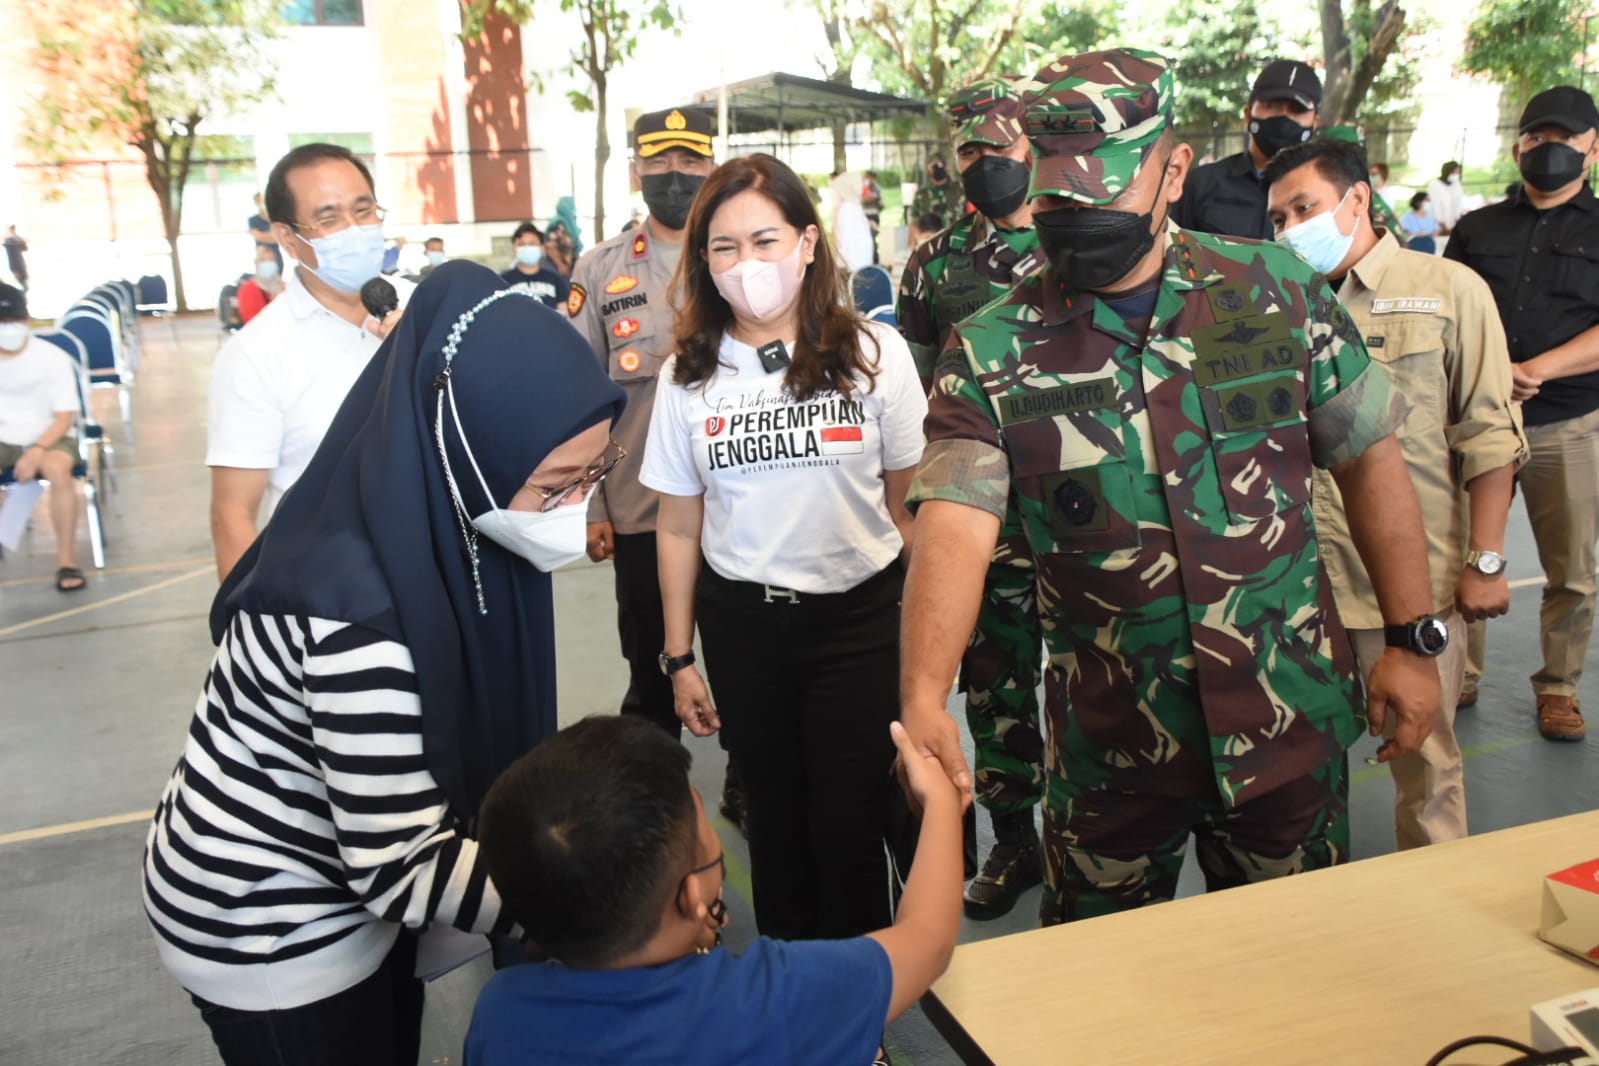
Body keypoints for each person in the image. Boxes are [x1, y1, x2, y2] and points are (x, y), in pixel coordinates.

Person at [901, 48, 1442, 925]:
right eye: (1056, 198)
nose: (1077, 217)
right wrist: (922, 697)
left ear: (1174, 168)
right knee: (1104, 1000)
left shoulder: (1278, 293)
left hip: (1286, 722)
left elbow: (1369, 458)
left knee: (1299, 973)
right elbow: (955, 519)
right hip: (1112, 755)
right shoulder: (992, 348)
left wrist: (1413, 641)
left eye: (1103, 191)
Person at [143, 262, 627, 1065]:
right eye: (554, 486)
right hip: (268, 921)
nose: (575, 509)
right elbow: (401, 869)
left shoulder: (432, 522)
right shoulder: (356, 609)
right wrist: (605, 905)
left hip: (343, 880)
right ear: (466, 451)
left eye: (594, 475)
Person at [641, 153, 928, 943]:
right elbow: (677, 522)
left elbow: (910, 510)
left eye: (764, 240)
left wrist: (925, 650)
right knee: (773, 820)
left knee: (848, 821)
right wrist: (678, 657)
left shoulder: (874, 354)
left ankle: (858, 1011)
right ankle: (789, 991)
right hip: (744, 628)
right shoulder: (686, 379)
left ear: (807, 243)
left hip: (858, 623)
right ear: (704, 262)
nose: (747, 265)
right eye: (724, 247)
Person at [1266, 137, 1527, 848]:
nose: (1289, 229)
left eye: (1303, 208)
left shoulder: (1448, 291)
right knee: (1298, 769)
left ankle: (1434, 912)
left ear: (1356, 198)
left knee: (1427, 762)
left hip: (1409, 585)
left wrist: (1487, 559)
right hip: (1299, 586)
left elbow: (1488, 435)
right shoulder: (1272, 306)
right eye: (1277, 218)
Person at [466, 713, 964, 1066]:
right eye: (700, 827)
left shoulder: (502, 1012)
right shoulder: (776, 998)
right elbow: (928, 939)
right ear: (691, 897)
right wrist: (940, 802)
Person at [896, 75, 1047, 920]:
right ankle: (1013, 839)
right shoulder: (933, 265)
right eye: (970, 151)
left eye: (999, 146)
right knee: (993, 682)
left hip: (1084, 508)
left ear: (1030, 146)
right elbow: (922, 395)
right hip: (981, 517)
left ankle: (1095, 827)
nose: (986, 163)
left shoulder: (1077, 243)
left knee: (1100, 668)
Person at [568, 108, 739, 793]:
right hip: (640, 509)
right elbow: (577, 399)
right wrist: (589, 507)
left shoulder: (736, 256)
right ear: (636, 170)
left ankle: (747, 783)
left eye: (690, 163)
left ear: (711, 168)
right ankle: (656, 798)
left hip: (737, 506)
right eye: (661, 165)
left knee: (738, 662)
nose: (675, 177)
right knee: (649, 669)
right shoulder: (600, 269)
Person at [1444, 86, 1599, 742]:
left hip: (1567, 421)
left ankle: (1558, 687)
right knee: (1463, 552)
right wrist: (1485, 373)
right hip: (1477, 421)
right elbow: (1444, 312)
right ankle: (1462, 672)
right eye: (1538, 139)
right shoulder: (1477, 228)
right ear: (1516, 147)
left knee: (1571, 567)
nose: (1550, 151)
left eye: (1565, 139)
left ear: (1592, 150)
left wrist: (1536, 369)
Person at [207, 143, 413, 582]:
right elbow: (232, 514)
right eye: (328, 219)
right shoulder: (256, 355)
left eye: (364, 211)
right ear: (287, 239)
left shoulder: (427, 311)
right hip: (331, 595)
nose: (354, 230)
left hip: (447, 578)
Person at [1172, 58, 1320, 239]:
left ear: (1315, 123)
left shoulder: (1330, 193)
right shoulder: (1200, 185)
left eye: (1297, 110)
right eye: (1272, 106)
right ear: (1249, 114)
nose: (1283, 118)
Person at [0, 283, 85, 591]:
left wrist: (35, 451)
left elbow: (65, 417)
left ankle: (66, 561)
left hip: (51, 436)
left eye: (12, 321)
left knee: (57, 469)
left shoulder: (52, 358)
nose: (7, 328)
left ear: (26, 319)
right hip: (4, 439)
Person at [500, 221, 568, 308]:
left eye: (532, 244)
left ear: (541, 247)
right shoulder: (503, 281)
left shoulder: (554, 279)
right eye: (522, 244)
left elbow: (563, 312)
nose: (527, 247)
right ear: (514, 248)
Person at [829, 170, 876, 273]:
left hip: (857, 264)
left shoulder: (852, 206)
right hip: (855, 265)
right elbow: (848, 238)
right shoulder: (849, 208)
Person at [911, 153, 969, 224]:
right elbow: (914, 222)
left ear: (947, 167)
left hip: (957, 233)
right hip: (931, 234)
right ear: (928, 169)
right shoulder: (921, 194)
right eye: (934, 167)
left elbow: (971, 215)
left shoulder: (961, 189)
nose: (938, 169)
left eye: (941, 166)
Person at [235, 243, 284, 325]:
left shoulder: (282, 287)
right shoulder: (248, 289)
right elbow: (250, 321)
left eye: (271, 260)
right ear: (257, 263)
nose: (268, 263)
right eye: (263, 260)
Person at [1429, 161, 1467, 235]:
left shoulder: (1457, 184)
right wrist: (1444, 227)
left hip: (1455, 224)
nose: (1456, 175)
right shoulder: (1436, 185)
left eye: (1458, 173)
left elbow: (1459, 203)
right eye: (1454, 173)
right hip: (1441, 227)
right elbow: (1436, 207)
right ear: (1448, 172)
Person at [862, 169, 884, 262]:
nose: (865, 178)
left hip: (873, 216)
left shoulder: (875, 187)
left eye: (867, 177)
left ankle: (874, 261)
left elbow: (869, 198)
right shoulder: (863, 187)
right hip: (864, 216)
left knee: (872, 238)